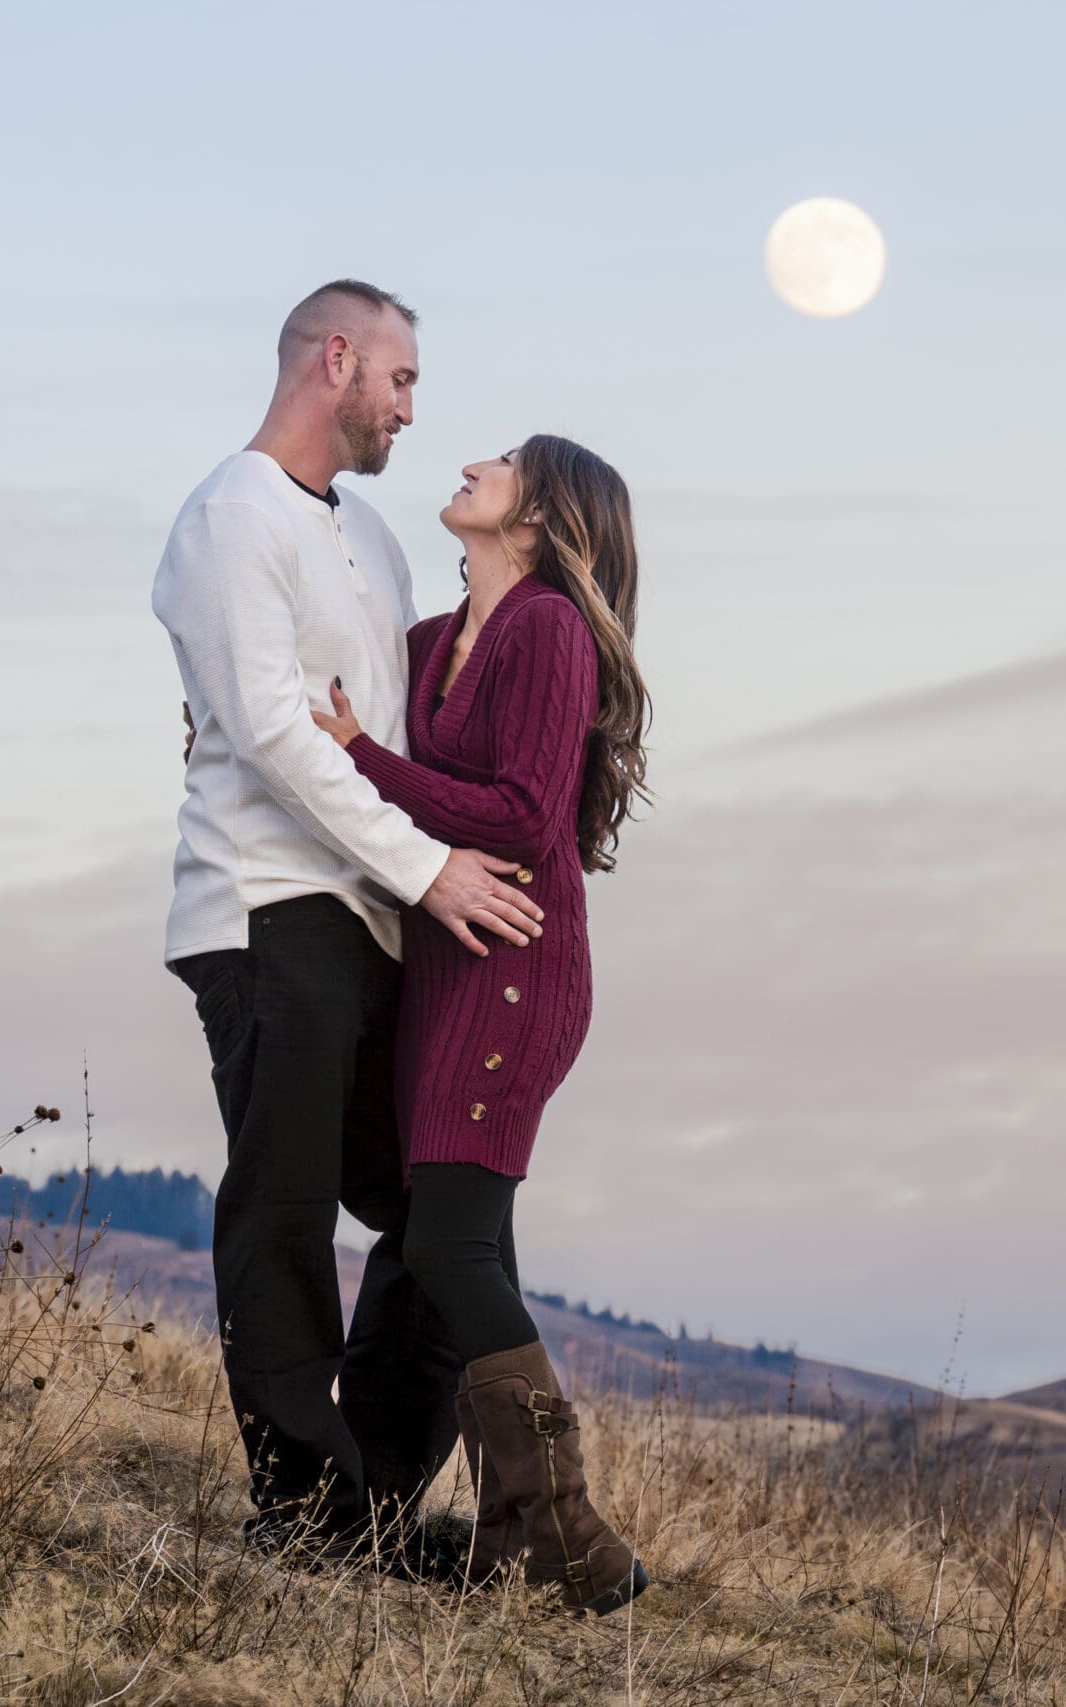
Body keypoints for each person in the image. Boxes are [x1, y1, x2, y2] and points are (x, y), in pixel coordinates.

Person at [151, 279, 546, 1572]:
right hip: (269, 907)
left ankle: (364, 1504)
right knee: (286, 1203)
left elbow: (407, 717)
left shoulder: (372, 535)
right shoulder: (227, 520)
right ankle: (297, 1506)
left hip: (380, 917)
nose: (411, 409)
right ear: (337, 360)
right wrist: (433, 868)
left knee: (443, 1220)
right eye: (401, 380)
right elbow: (272, 733)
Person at [307, 433, 653, 1614]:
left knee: (451, 1244)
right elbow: (341, 762)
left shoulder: (546, 628)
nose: (466, 461)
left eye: (498, 462)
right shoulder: (429, 644)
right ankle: (483, 1527)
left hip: (514, 962)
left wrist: (356, 751)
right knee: (457, 1235)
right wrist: (259, 752)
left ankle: (565, 1523)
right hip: (442, 966)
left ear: (541, 517)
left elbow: (516, 811)